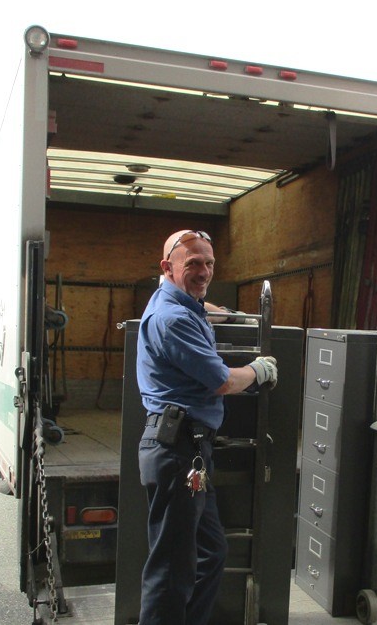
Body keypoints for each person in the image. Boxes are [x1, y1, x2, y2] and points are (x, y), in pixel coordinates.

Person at [136, 229, 278, 625]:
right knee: (172, 569)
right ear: (168, 267)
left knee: (209, 552)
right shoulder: (172, 319)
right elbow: (223, 382)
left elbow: (199, 304)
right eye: (193, 264)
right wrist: (258, 369)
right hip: (176, 451)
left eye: (209, 263)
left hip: (191, 451)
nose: (203, 272)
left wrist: (231, 316)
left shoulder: (175, 299)